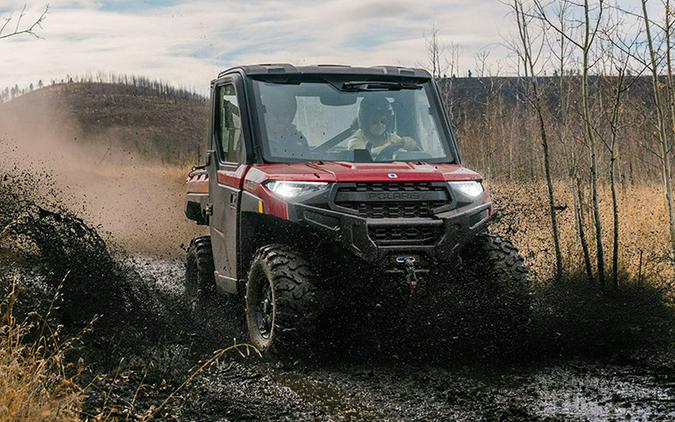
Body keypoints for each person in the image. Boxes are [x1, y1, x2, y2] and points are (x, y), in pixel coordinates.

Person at [347, 96, 417, 157]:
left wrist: (407, 143)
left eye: (383, 121)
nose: (379, 125)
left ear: (388, 122)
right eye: (375, 122)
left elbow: (408, 148)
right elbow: (362, 157)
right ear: (365, 122)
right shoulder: (356, 140)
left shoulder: (391, 137)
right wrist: (390, 148)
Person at [261, 88, 308, 157]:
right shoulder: (256, 138)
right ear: (265, 114)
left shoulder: (299, 139)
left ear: (291, 115)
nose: (280, 117)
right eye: (275, 112)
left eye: (285, 113)